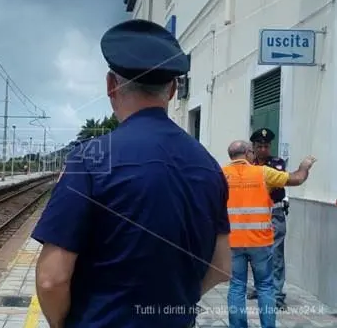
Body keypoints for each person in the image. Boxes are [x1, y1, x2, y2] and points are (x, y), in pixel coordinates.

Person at [30, 18, 232, 328]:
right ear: (173, 89)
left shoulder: (90, 159)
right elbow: (220, 265)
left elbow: (50, 279)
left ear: (111, 85)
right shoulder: (209, 166)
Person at [223, 140, 316, 328]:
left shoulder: (220, 175)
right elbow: (296, 179)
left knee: (236, 287)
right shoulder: (263, 173)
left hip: (232, 242)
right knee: (265, 287)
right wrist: (304, 166)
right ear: (249, 153)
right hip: (260, 241)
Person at [246, 128, 289, 309]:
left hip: (274, 214)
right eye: (260, 146)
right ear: (253, 148)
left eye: (266, 146)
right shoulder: (248, 166)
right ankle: (260, 287)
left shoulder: (276, 164)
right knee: (258, 255)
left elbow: (273, 182)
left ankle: (277, 295)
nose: (264, 149)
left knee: (276, 254)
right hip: (255, 214)